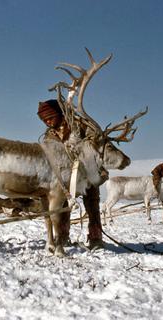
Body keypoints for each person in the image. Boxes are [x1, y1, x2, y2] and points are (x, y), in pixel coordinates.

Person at [37, 99, 104, 248]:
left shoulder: (79, 125)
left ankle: (96, 238)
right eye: (44, 120)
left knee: (92, 205)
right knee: (64, 206)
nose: (48, 122)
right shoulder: (49, 136)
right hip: (67, 177)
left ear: (59, 114)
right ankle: (62, 237)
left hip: (88, 172)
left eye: (50, 117)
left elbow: (96, 141)